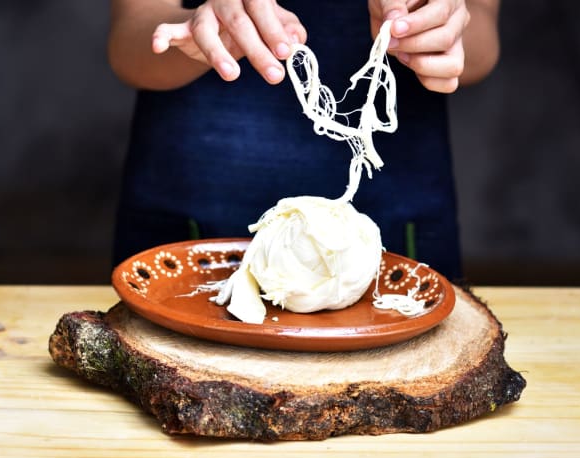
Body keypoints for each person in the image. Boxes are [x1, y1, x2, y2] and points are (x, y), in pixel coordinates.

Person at [107, 0, 501, 280]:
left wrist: (443, 30)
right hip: (192, 200)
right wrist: (197, 32)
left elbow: (481, 28)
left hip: (398, 203)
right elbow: (132, 35)